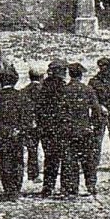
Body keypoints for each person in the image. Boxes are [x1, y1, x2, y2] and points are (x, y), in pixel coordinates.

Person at [61, 63, 102, 197]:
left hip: (68, 131)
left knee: (70, 160)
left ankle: (72, 188)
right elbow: (96, 110)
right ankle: (90, 185)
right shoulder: (87, 89)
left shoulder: (64, 90)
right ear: (81, 75)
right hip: (85, 129)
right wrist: (95, 127)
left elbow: (59, 112)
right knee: (88, 160)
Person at [0, 70, 25, 200]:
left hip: (2, 136)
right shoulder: (20, 96)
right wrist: (18, 130)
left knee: (4, 162)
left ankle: (9, 190)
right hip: (17, 135)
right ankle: (16, 188)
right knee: (18, 161)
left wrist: (6, 131)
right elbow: (24, 118)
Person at [36, 59, 68, 197]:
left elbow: (38, 108)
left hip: (46, 128)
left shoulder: (43, 87)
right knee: (64, 157)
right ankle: (64, 187)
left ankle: (48, 187)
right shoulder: (61, 87)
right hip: (59, 127)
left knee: (50, 158)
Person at [20, 67, 44, 182]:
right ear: (41, 77)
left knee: (32, 149)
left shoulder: (23, 90)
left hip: (28, 123)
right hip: (41, 123)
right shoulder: (43, 90)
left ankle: (32, 173)